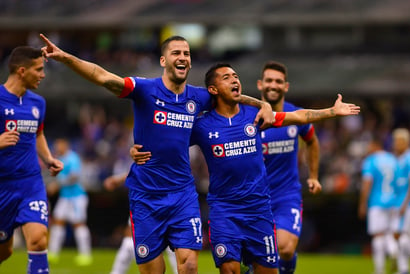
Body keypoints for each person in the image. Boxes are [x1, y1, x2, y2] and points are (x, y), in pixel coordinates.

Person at [39, 33, 275, 274]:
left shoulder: (199, 97)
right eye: (176, 53)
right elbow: (103, 77)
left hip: (183, 194)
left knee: (190, 266)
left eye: (186, 53)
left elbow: (231, 95)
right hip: (146, 196)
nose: (182, 57)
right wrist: (66, 58)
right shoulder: (144, 89)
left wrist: (263, 105)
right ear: (163, 60)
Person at [133, 63, 359, 273]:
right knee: (229, 269)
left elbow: (298, 116)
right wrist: (137, 149)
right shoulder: (201, 125)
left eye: (236, 76)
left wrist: (331, 111)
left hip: (258, 210)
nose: (234, 80)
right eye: (226, 77)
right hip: (224, 211)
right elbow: (170, 140)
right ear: (213, 89)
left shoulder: (255, 116)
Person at [0, 46, 64, 273]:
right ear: (21, 71)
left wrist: (48, 159)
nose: (43, 75)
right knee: (4, 252)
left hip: (30, 183)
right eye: (38, 69)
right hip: (2, 186)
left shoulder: (38, 103)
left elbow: (38, 133)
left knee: (38, 238)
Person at [257, 61, 322, 274]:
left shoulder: (297, 116)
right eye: (269, 80)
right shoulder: (250, 118)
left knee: (284, 248)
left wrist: (313, 176)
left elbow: (312, 141)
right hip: (255, 198)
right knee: (256, 255)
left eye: (278, 81)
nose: (273, 85)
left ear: (286, 86)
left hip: (286, 195)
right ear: (260, 84)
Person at [104, 172, 178, 274]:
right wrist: (119, 180)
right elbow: (140, 168)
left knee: (174, 245)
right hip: (145, 202)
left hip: (167, 201)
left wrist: (118, 180)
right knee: (129, 242)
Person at [47, 138, 93, 266]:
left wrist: (57, 184)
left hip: (77, 197)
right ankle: (53, 253)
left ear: (65, 145)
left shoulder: (73, 158)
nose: (57, 148)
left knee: (78, 224)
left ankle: (85, 255)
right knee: (57, 221)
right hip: (65, 197)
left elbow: (74, 176)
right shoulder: (59, 159)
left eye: (59, 145)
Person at [358, 135, 399, 274]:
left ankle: (379, 269)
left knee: (377, 235)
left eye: (369, 146)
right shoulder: (393, 159)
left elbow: (367, 183)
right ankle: (393, 250)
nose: (368, 149)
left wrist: (363, 203)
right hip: (394, 201)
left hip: (377, 202)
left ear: (376, 146)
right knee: (389, 232)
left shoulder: (370, 161)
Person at [392, 128, 410, 274]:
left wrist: (405, 203)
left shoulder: (409, 158)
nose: (395, 144)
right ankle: (403, 268)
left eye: (398, 141)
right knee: (399, 236)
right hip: (400, 203)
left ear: (405, 142)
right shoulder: (399, 159)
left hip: (408, 205)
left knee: (404, 238)